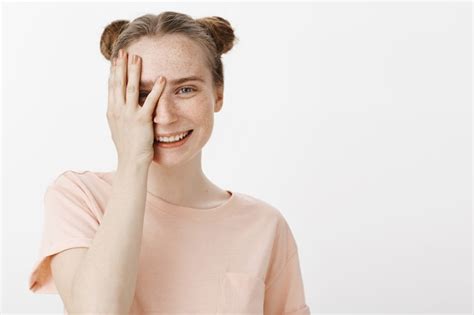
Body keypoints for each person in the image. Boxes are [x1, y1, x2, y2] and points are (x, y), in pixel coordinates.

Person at [28, 11, 311, 314]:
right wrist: (133, 159)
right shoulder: (78, 198)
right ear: (116, 101)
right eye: (142, 94)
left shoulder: (265, 226)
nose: (164, 115)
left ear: (218, 94)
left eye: (185, 89)